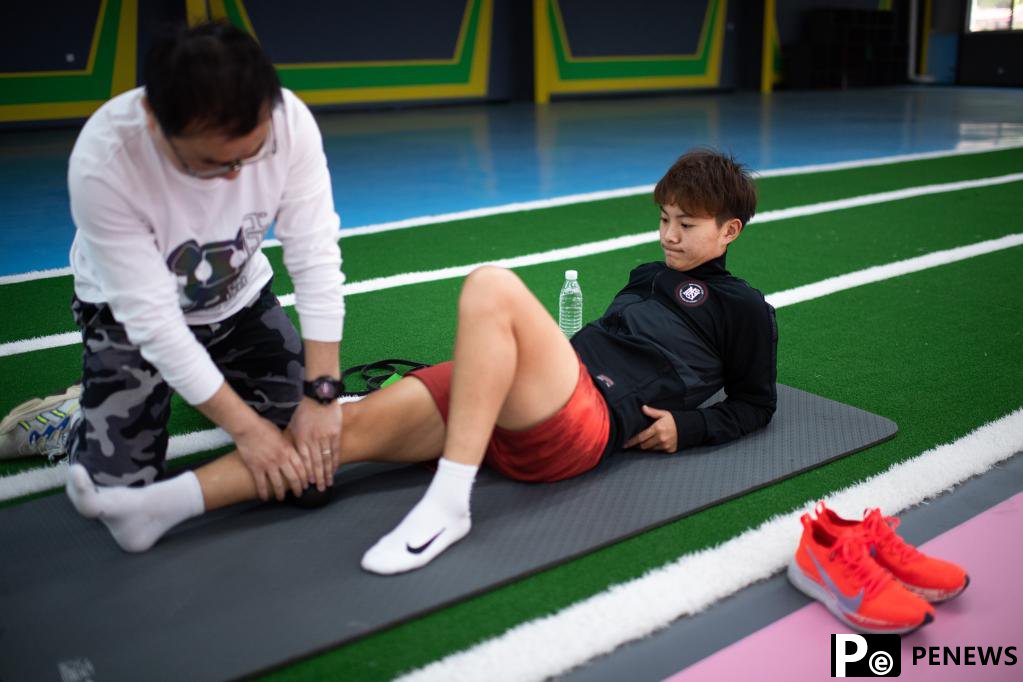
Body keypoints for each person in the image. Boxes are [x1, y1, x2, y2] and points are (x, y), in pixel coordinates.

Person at [64, 149, 777, 575]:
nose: (668, 235)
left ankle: (448, 502)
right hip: (533, 393)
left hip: (584, 423)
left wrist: (691, 428)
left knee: (492, 286)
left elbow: (755, 403)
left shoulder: (744, 309)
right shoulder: (645, 276)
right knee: (336, 431)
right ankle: (155, 509)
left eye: (685, 225)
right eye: (662, 219)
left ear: (730, 230)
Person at [11, 22, 348, 512]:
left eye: (250, 155)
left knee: (311, 476)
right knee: (119, 497)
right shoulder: (106, 162)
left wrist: (322, 393)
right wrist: (247, 431)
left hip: (238, 303)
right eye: (212, 163)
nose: (235, 175)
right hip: (127, 322)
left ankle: (203, 382)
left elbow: (315, 258)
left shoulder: (288, 121)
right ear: (153, 120)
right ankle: (75, 419)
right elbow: (155, 324)